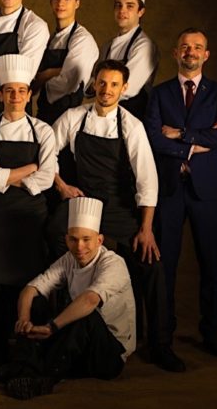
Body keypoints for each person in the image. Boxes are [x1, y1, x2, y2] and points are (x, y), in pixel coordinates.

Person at [48, 59, 185, 372]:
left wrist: (146, 229)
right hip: (84, 205)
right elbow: (46, 153)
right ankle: (64, 328)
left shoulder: (131, 126)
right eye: (102, 82)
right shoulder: (73, 117)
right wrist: (62, 186)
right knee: (53, 234)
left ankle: (160, 345)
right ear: (94, 83)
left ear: (124, 89)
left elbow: (147, 180)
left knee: (151, 265)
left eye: (113, 85)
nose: (106, 90)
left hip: (120, 207)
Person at [145, 28, 217, 357]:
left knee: (211, 263)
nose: (190, 52)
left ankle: (211, 332)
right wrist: (196, 144)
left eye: (197, 47)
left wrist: (181, 134)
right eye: (185, 47)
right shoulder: (160, 93)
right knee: (165, 265)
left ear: (206, 55)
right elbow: (154, 137)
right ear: (175, 53)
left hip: (207, 191)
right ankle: (162, 336)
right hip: (169, 189)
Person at [0, 197, 135, 400]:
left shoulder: (114, 264)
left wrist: (52, 328)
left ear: (99, 240)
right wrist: (24, 319)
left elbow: (89, 300)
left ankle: (43, 378)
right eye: (73, 239)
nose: (79, 246)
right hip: (78, 344)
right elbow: (31, 288)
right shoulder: (69, 260)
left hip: (109, 355)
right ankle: (24, 367)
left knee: (85, 315)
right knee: (37, 303)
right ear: (67, 238)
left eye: (86, 239)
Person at [0, 54, 56, 369]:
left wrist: (5, 174)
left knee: (30, 278)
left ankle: (25, 345)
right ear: (0, 94)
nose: (15, 96)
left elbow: (47, 177)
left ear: (29, 94)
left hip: (30, 216)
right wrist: (29, 168)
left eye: (21, 90)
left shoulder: (43, 131)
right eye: (9, 90)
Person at [89, 0, 158, 120]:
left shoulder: (144, 46)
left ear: (141, 11)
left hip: (129, 117)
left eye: (130, 6)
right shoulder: (107, 46)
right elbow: (92, 83)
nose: (122, 10)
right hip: (104, 114)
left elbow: (128, 89)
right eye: (118, 5)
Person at [33, 0, 99, 125]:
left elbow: (69, 83)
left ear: (77, 3)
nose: (61, 3)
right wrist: (55, 71)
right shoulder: (51, 38)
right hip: (44, 113)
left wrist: (45, 75)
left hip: (68, 117)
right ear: (51, 2)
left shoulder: (83, 39)